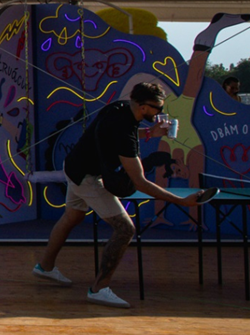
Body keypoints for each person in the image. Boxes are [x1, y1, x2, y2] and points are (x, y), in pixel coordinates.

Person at [33, 82, 213, 308]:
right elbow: (140, 182)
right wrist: (180, 201)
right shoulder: (125, 133)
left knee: (73, 216)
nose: (159, 113)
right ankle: (99, 289)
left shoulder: (119, 107)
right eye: (156, 108)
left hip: (74, 166)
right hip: (87, 177)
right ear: (142, 106)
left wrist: (150, 132)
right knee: (125, 229)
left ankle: (45, 267)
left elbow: (116, 132)